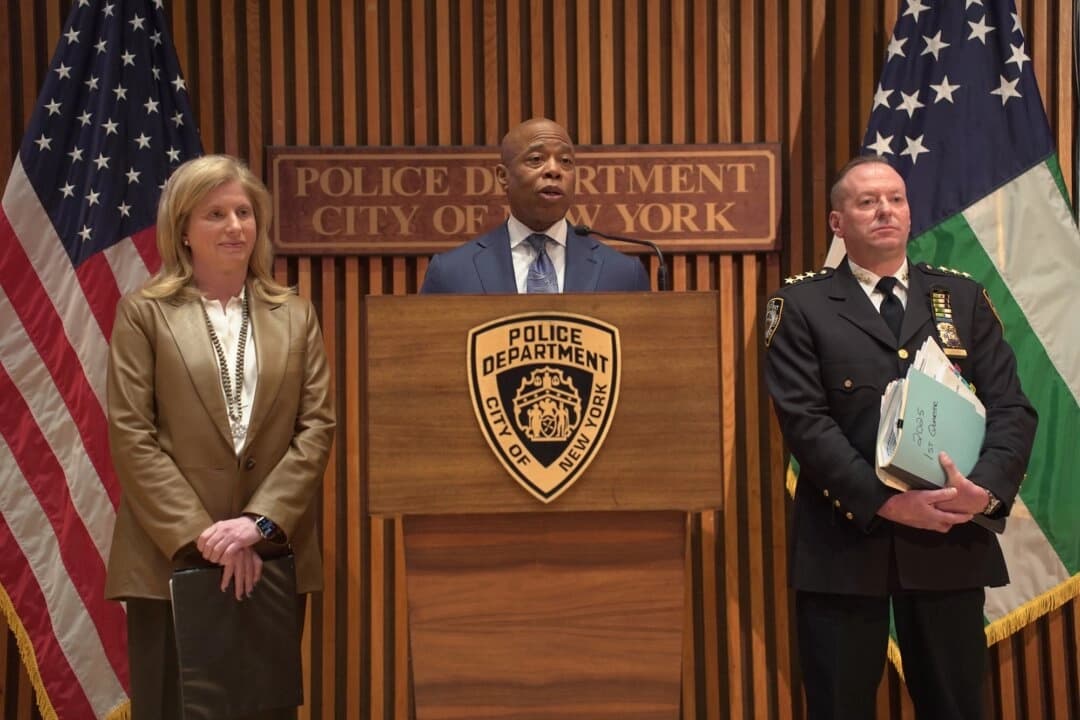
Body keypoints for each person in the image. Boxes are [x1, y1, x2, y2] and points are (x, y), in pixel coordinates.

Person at [763, 155, 1036, 719]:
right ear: (838, 223)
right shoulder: (800, 305)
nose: (885, 210)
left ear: (910, 212)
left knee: (958, 706)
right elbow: (806, 425)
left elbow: (1012, 407)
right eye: (867, 202)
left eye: (896, 199)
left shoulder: (960, 298)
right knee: (839, 706)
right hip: (845, 541)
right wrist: (887, 502)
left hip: (948, 534)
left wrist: (981, 493)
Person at [104, 154, 335, 719]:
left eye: (244, 212)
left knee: (263, 708)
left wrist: (256, 526)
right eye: (215, 214)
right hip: (170, 561)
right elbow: (132, 432)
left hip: (271, 553)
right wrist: (204, 537)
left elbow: (316, 428)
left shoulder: (296, 314)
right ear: (183, 228)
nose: (235, 227)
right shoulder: (144, 314)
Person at [419, 117, 651, 293]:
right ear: (503, 176)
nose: (554, 170)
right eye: (536, 159)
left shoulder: (624, 274)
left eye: (566, 161)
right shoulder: (451, 273)